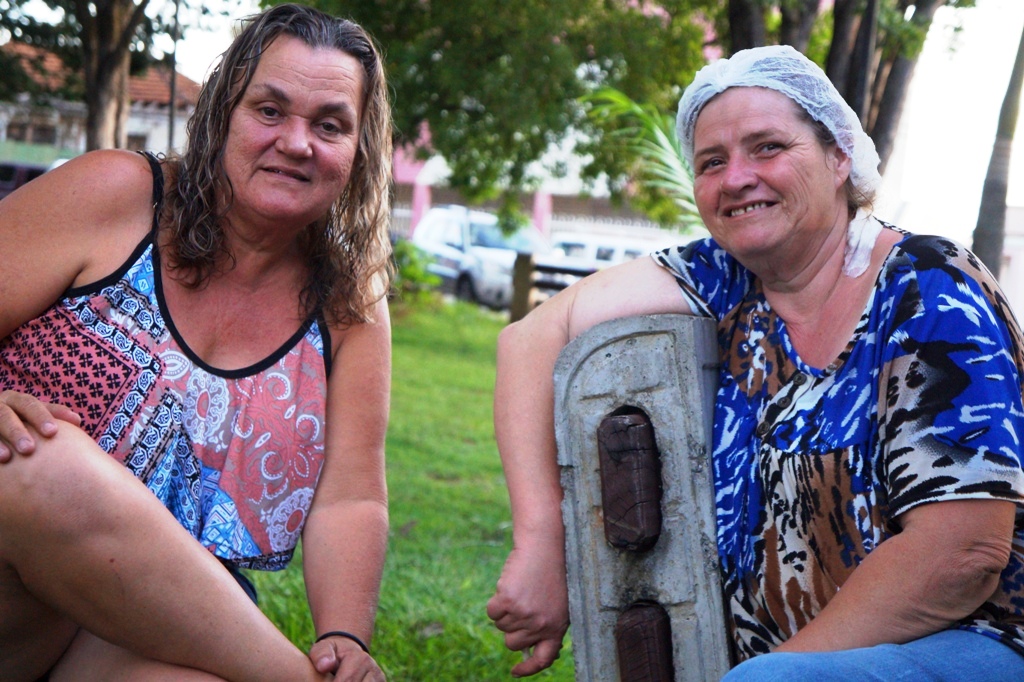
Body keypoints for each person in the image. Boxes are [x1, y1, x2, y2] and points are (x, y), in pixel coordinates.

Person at [486, 44, 1024, 680]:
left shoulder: (928, 284)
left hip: (976, 642)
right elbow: (530, 338)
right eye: (711, 162)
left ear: (839, 156)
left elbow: (963, 556)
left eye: (768, 147)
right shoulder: (724, 278)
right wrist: (541, 545)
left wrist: (765, 676)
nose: (737, 177)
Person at [0, 4, 392, 680]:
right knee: (43, 459)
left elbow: (350, 496)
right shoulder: (119, 194)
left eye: (330, 125)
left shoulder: (349, 303)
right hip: (15, 588)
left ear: (359, 150)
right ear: (222, 114)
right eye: (269, 110)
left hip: (143, 625)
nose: (297, 142)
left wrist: (344, 637)